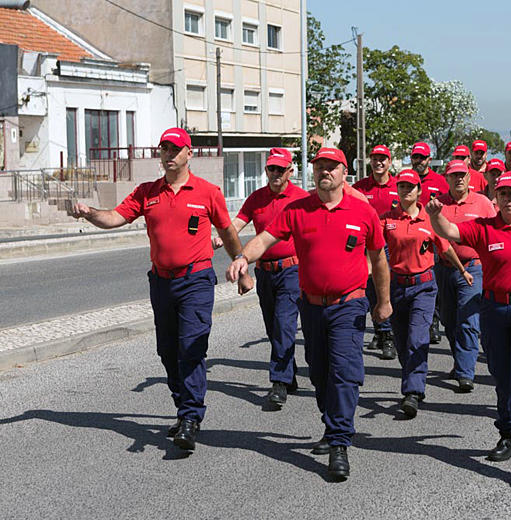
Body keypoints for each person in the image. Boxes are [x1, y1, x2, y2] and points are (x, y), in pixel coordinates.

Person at [70, 127, 244, 450]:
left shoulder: (208, 192)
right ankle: (183, 407)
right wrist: (89, 213)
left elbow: (228, 232)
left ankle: (191, 417)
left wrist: (243, 264)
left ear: (189, 153)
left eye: (175, 149)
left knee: (191, 346)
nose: (168, 154)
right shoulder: (147, 192)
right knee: (167, 351)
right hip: (162, 282)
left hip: (196, 280)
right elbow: (114, 217)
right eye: (164, 148)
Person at [226, 147, 392, 480]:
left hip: (350, 304)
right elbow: (266, 238)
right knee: (318, 371)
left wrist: (383, 302)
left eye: (331, 167)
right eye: (319, 167)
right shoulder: (297, 210)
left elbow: (378, 261)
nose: (324, 172)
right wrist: (245, 257)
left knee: (344, 371)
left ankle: (340, 440)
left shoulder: (363, 213)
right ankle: (332, 425)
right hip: (313, 306)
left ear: (345, 172)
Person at [427, 172, 511, 484]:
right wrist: (435, 216)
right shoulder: (484, 229)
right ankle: (509, 434)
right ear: (495, 199)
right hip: (495, 309)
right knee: (502, 376)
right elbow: (450, 231)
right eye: (503, 194)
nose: (509, 199)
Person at [381, 169, 469, 417]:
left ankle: (413, 392)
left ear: (419, 190)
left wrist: (463, 271)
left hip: (424, 286)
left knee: (417, 337)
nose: (406, 190)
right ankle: (413, 377)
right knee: (401, 342)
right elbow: (374, 249)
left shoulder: (429, 221)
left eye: (411, 187)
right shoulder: (387, 219)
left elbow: (446, 248)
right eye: (402, 186)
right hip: (396, 286)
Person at [225, 147, 307, 409]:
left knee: (284, 324)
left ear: (290, 171)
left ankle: (279, 382)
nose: (275, 173)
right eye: (271, 169)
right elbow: (237, 224)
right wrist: (221, 238)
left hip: (292, 270)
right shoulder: (256, 198)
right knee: (273, 326)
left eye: (280, 169)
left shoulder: (301, 198)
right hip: (265, 271)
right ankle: (289, 372)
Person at [436, 159, 496, 392]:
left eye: (463, 174)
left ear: (470, 177)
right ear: (447, 178)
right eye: (454, 175)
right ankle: (461, 359)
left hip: (473, 268)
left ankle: (465, 372)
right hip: (444, 268)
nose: (459, 178)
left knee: (469, 321)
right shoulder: (438, 204)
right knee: (449, 320)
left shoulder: (481, 203)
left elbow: (493, 233)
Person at [354, 144, 399, 359]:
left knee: (388, 290)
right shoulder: (360, 187)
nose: (379, 162)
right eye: (375, 158)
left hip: (393, 248)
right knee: (372, 292)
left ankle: (388, 333)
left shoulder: (400, 186)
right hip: (367, 249)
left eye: (383, 159)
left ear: (389, 162)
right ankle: (383, 332)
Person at [409, 142, 449, 344]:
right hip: (409, 238)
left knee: (432, 281)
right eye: (415, 157)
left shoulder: (440, 181)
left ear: (429, 159)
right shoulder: (406, 180)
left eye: (422, 158)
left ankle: (433, 321)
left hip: (432, 237)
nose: (418, 161)